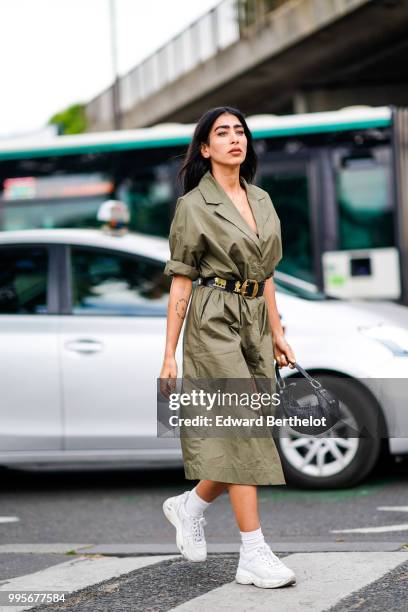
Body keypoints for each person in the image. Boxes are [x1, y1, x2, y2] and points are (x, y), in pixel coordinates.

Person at [159, 106, 297, 589]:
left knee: (248, 427)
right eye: (223, 133)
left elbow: (267, 274)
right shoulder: (193, 206)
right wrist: (169, 352)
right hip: (213, 318)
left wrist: (278, 332)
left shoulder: (261, 199)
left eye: (240, 131)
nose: (234, 139)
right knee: (242, 429)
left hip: (255, 320)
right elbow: (180, 283)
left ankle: (190, 504)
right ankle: (254, 552)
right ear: (205, 148)